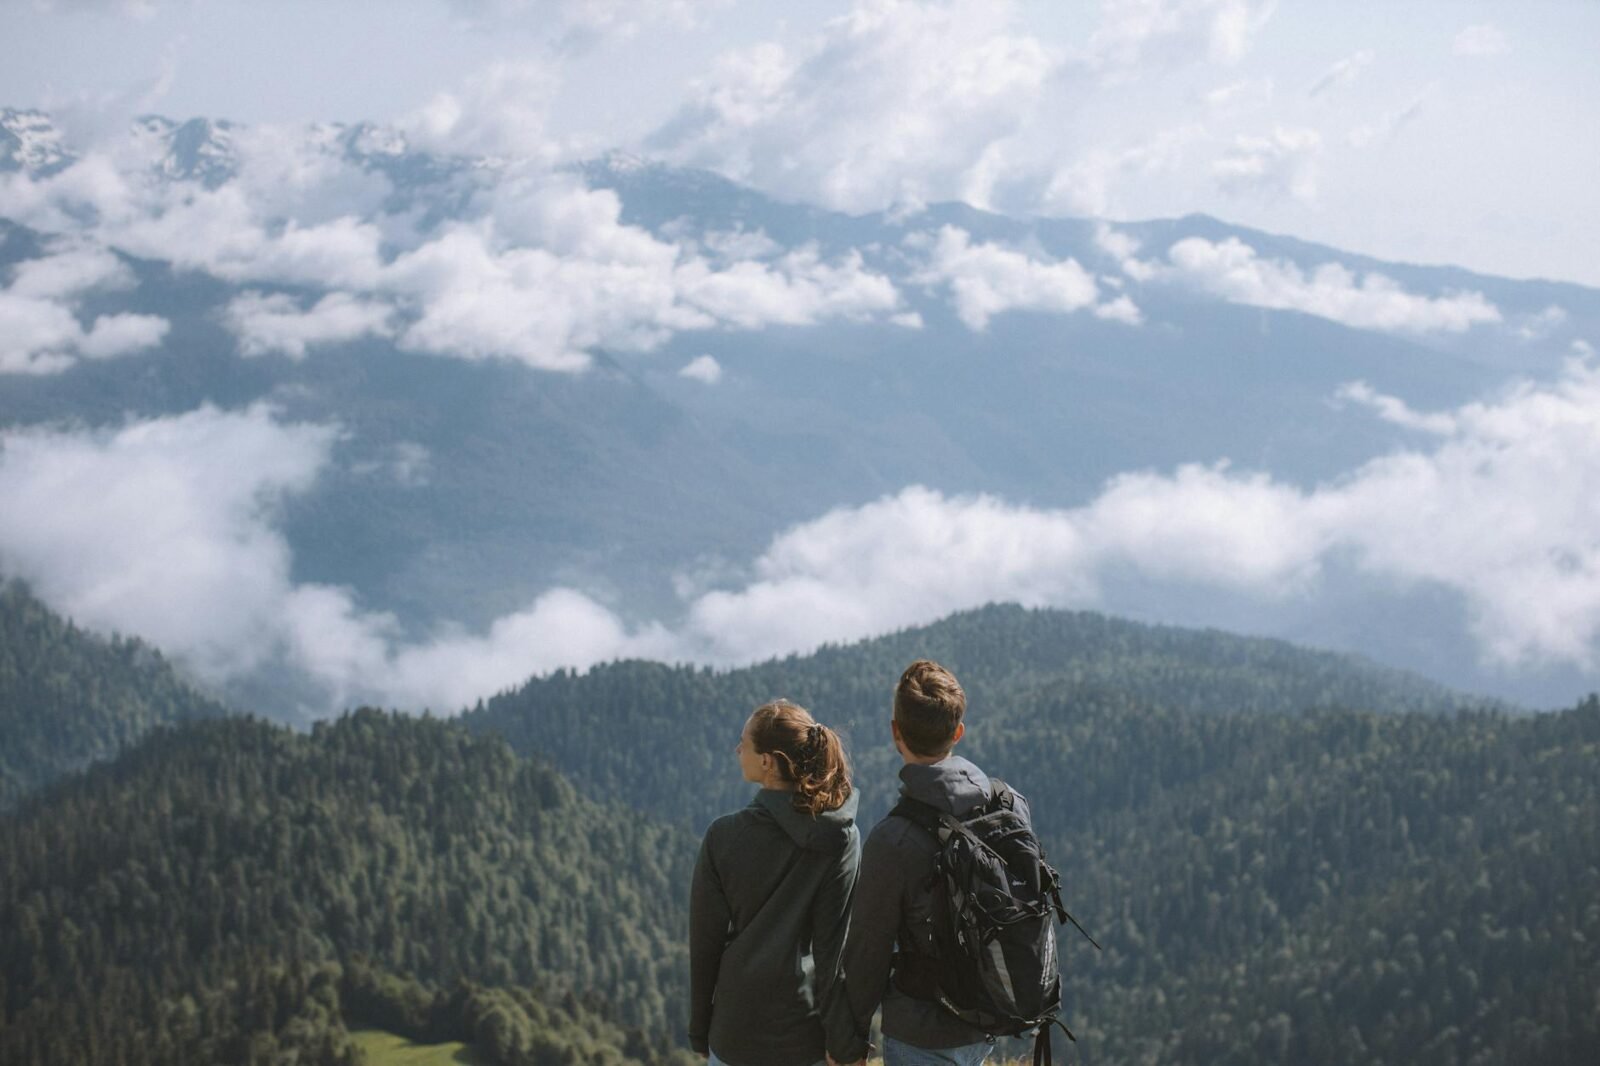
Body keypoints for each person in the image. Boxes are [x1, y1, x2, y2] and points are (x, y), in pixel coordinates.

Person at [832, 659, 1033, 1066]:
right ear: (958, 732)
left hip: (921, 1032)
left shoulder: (893, 839)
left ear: (895, 732)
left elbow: (868, 953)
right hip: (990, 1017)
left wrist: (848, 1043)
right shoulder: (1009, 804)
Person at [689, 698, 862, 1066]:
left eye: (743, 743)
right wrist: (843, 1044)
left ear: (767, 761)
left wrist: (700, 1030)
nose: (737, 750)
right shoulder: (840, 838)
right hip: (803, 1035)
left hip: (734, 1032)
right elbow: (832, 954)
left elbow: (705, 945)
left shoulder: (723, 836)